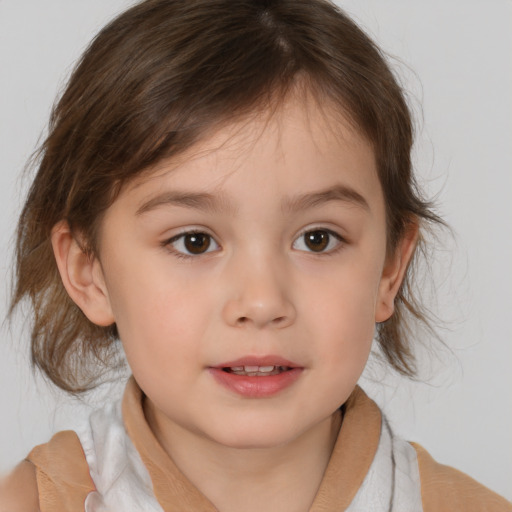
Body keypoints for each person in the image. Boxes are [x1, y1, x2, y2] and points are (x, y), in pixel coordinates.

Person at [0, 0, 510, 510]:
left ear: (389, 269)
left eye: (318, 239)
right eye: (194, 241)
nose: (263, 302)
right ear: (89, 272)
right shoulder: (33, 501)